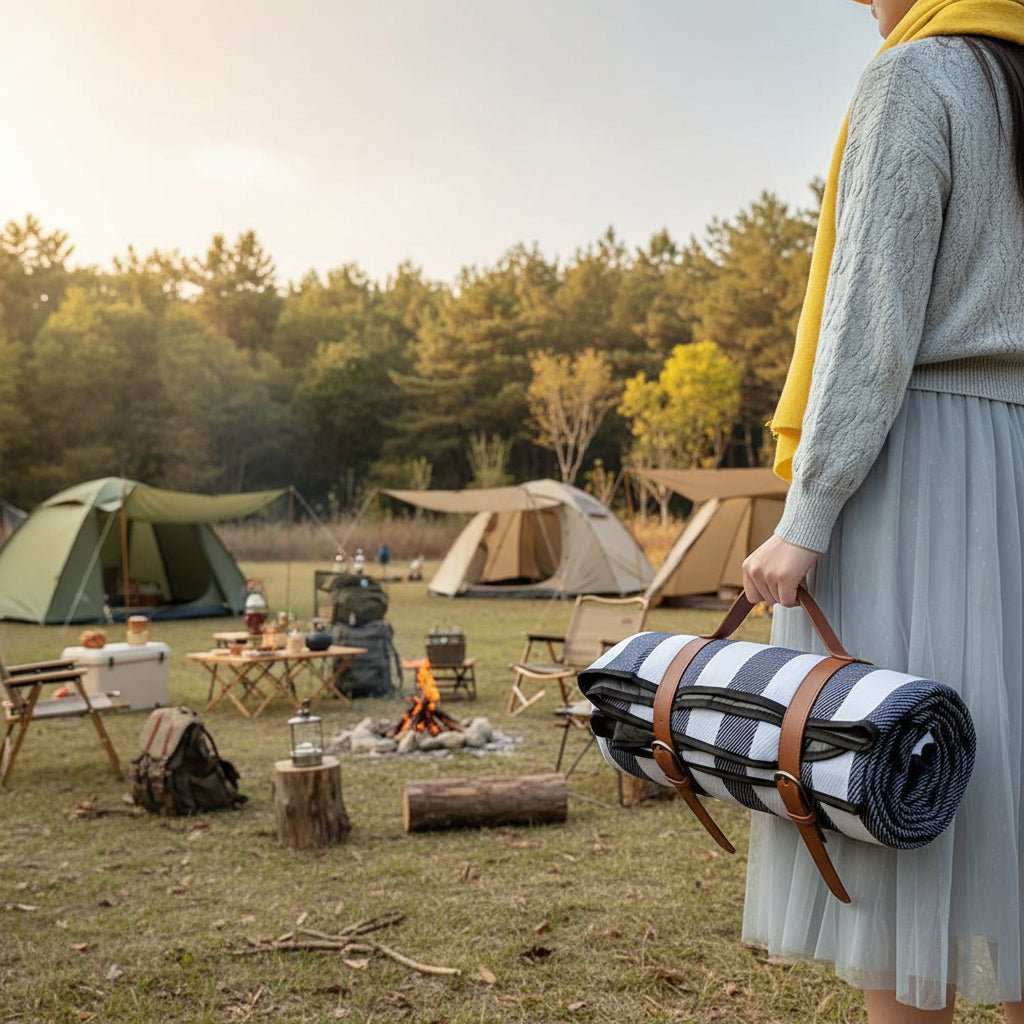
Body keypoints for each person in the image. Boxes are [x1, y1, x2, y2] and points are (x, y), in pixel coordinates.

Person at [740, 0, 1024, 1021]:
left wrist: (805, 515)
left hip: (919, 464)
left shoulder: (915, 78)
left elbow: (870, 318)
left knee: (893, 793)